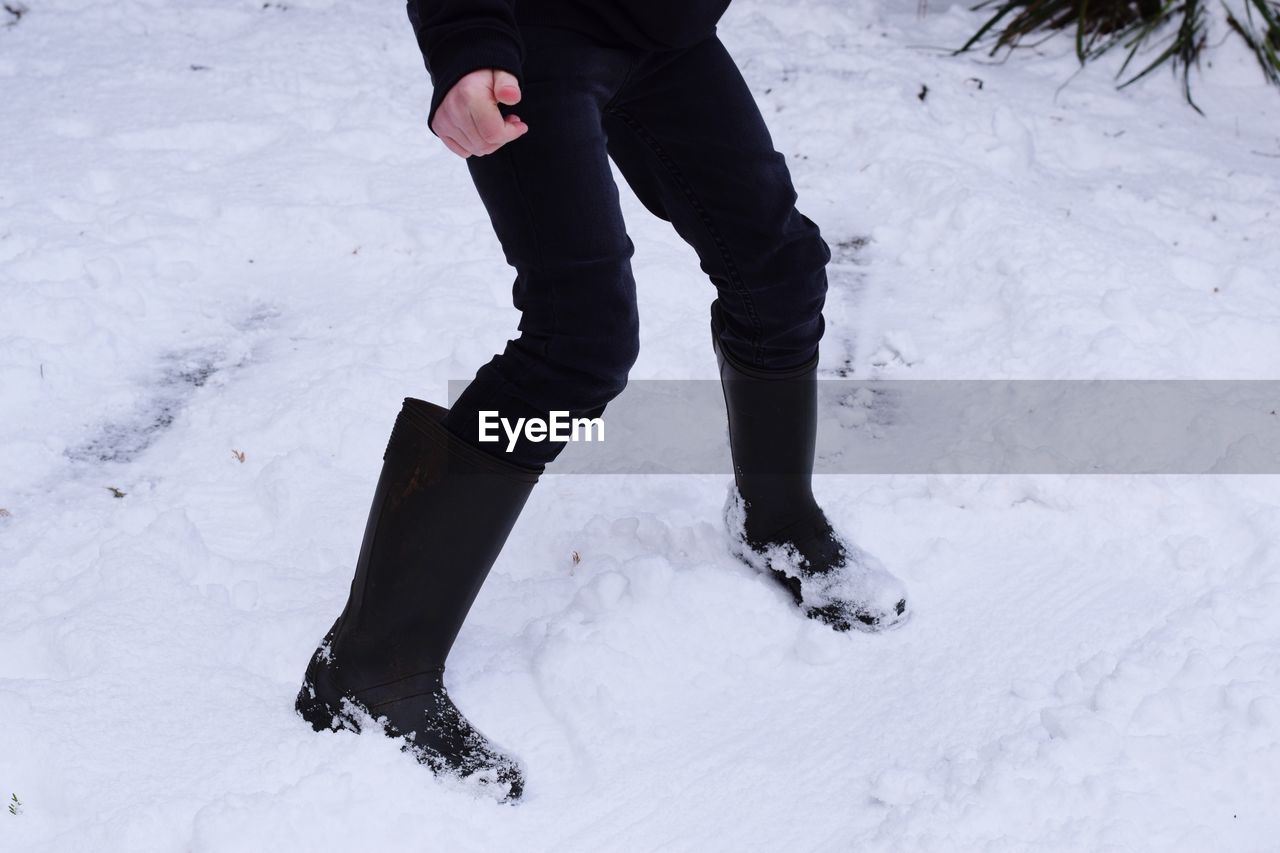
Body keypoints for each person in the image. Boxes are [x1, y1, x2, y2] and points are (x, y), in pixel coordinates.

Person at [295, 0, 910, 803]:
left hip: (664, 27)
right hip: (526, 33)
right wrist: (464, 42)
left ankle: (779, 520)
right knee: (579, 344)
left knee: (780, 273)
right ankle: (372, 663)